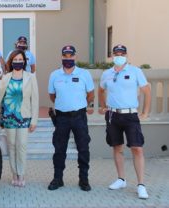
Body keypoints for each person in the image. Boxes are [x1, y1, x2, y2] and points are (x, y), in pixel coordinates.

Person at [98, 44, 151, 199]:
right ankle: (121, 179)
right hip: (113, 115)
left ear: (126, 55)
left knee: (137, 148)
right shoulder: (107, 73)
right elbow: (101, 90)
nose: (119, 55)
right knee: (117, 147)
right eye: (116, 53)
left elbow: (147, 90)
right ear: (112, 55)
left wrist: (145, 112)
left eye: (122, 53)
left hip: (130, 115)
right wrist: (103, 107)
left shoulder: (135, 71)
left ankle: (141, 185)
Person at [47, 45, 95, 191]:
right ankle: (58, 178)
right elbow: (52, 96)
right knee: (59, 149)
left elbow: (91, 94)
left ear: (75, 56)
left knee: (83, 148)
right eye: (65, 56)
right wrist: (65, 104)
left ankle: (84, 179)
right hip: (61, 118)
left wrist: (80, 105)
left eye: (70, 56)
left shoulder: (84, 74)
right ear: (61, 57)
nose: (68, 59)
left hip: (79, 117)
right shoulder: (54, 75)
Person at [0, 49, 39, 187]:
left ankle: (21, 174)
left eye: (21, 60)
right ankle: (14, 173)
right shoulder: (6, 77)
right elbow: (1, 97)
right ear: (11, 61)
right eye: (16, 60)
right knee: (12, 146)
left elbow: (35, 100)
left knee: (22, 146)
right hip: (8, 117)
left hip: (23, 117)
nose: (18, 62)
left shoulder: (30, 77)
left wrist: (34, 120)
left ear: (24, 62)